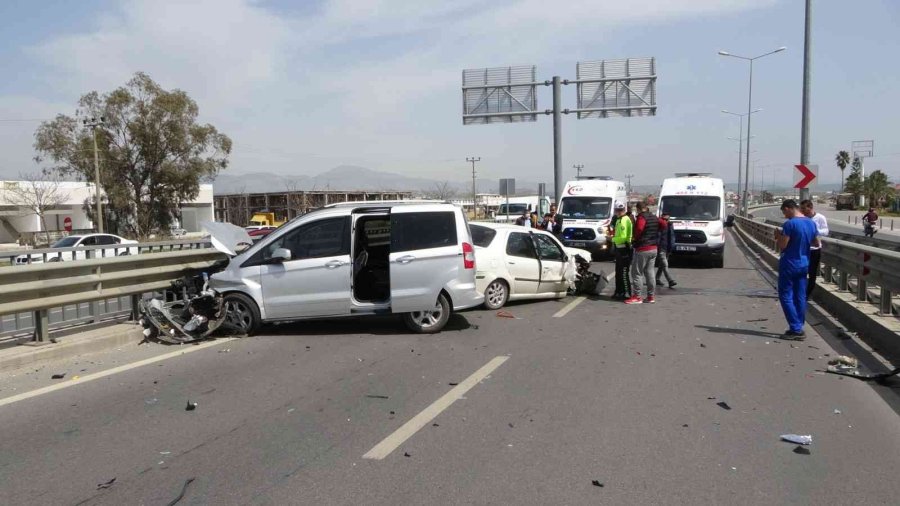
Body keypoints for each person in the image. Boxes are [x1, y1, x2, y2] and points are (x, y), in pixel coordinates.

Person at [775, 199, 820, 340]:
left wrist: (777, 236)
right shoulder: (811, 223)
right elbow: (816, 242)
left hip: (789, 263)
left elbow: (783, 245)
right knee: (800, 295)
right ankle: (799, 324)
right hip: (804, 263)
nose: (784, 215)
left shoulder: (790, 224)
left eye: (784, 212)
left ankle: (795, 329)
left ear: (789, 208)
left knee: (786, 295)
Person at [626, 202, 660, 304]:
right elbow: (663, 224)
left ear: (638, 209)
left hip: (643, 248)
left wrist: (635, 237)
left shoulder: (641, 217)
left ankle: (637, 296)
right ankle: (650, 297)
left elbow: (640, 228)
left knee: (637, 273)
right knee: (650, 273)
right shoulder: (654, 217)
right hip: (654, 247)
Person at [800, 200, 828, 298]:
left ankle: (807, 294)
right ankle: (800, 292)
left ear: (810, 207)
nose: (802, 210)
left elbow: (826, 231)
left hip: (815, 249)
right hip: (803, 249)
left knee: (812, 273)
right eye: (801, 208)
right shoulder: (802, 218)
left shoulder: (820, 218)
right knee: (802, 271)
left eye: (804, 208)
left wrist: (814, 231)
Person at [611, 203, 633, 300]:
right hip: (619, 249)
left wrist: (612, 239)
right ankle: (619, 291)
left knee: (623, 272)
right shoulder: (618, 219)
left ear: (624, 210)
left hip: (624, 249)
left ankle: (627, 293)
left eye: (620, 210)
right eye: (617, 210)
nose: (618, 212)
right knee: (618, 272)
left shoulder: (624, 220)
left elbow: (623, 237)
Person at [655, 211, 677, 288]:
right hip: (661, 247)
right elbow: (658, 236)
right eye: (664, 218)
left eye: (667, 218)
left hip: (668, 247)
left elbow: (672, 236)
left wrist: (672, 246)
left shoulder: (670, 225)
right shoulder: (659, 224)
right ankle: (670, 280)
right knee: (665, 264)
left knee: (662, 265)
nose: (665, 220)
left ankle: (657, 279)